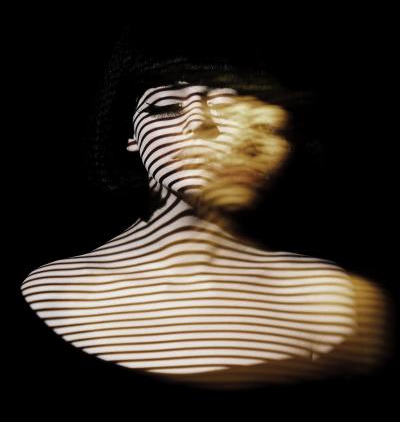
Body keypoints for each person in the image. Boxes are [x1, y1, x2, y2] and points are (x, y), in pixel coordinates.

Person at [20, 28, 391, 389]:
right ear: (130, 135)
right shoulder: (59, 291)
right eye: (166, 107)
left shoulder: (324, 300)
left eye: (227, 105)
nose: (199, 121)